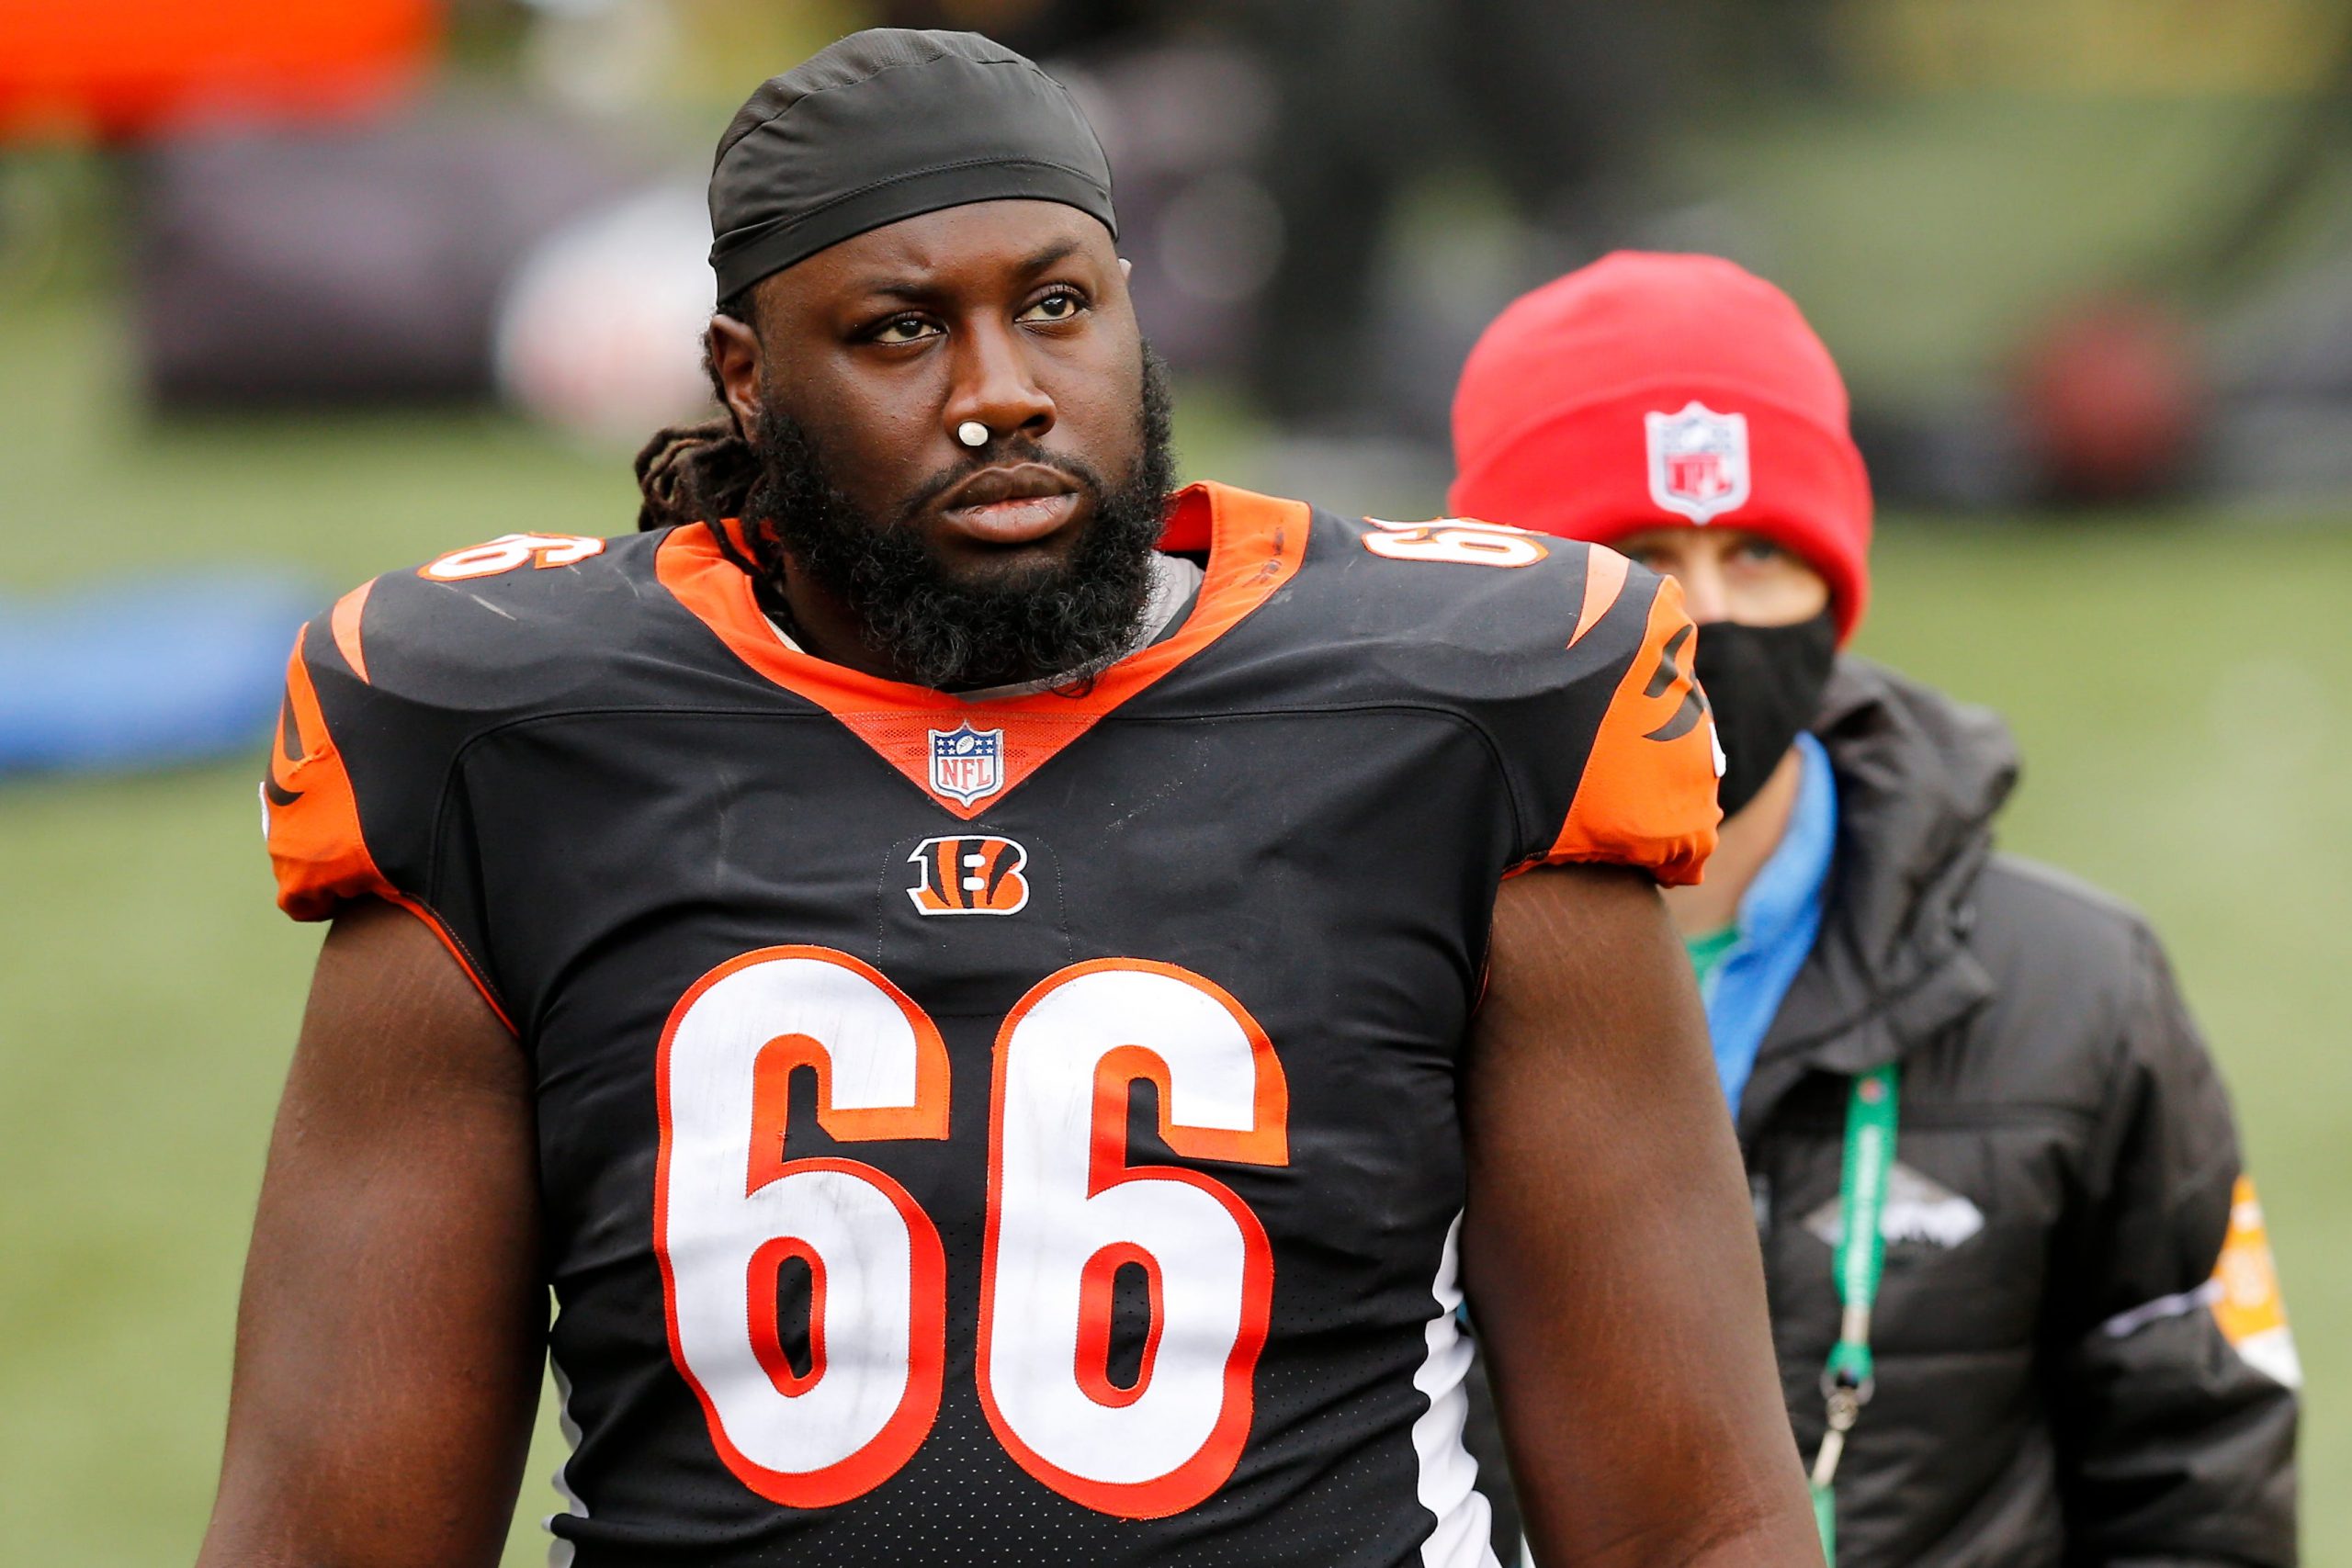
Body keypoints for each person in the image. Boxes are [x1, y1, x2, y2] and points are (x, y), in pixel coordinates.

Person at [194, 34, 1824, 1568]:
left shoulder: (1462, 717)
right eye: (902, 330)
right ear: (745, 381)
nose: (1004, 393)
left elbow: (1697, 1526)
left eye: (1057, 308)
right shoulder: (505, 740)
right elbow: (328, 1539)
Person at [1449, 251, 2301, 1566]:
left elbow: (2201, 1487)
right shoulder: (1357, 960)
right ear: (1494, 585)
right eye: (1639, 555)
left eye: (1758, 550)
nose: (1709, 612)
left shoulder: (2077, 987)